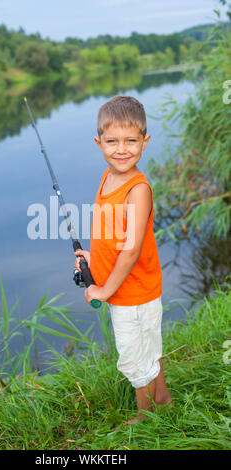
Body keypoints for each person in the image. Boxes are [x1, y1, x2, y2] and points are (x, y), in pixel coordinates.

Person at [74, 95, 172, 427]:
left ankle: (146, 417)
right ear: (98, 142)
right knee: (147, 346)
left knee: (135, 354)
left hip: (135, 291)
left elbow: (130, 250)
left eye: (131, 140)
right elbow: (109, 232)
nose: (121, 149)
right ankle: (163, 400)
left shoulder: (138, 189)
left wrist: (104, 290)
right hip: (125, 287)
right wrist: (92, 258)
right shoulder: (107, 177)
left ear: (145, 141)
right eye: (112, 141)